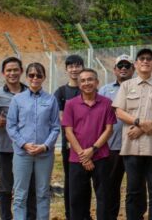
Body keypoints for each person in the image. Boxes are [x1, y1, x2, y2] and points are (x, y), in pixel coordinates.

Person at [113, 48, 152, 220]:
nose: (145, 61)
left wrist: (145, 127)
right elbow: (119, 112)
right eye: (141, 58)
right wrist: (139, 122)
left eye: (149, 59)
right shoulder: (126, 86)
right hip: (131, 147)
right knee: (133, 190)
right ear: (136, 63)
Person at [7, 62, 60, 220]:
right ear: (27, 77)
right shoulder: (17, 99)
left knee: (43, 193)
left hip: (44, 155)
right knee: (20, 194)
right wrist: (24, 144)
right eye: (31, 75)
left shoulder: (51, 100)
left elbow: (56, 127)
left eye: (38, 75)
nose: (35, 78)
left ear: (44, 77)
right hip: (23, 153)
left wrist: (45, 146)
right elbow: (11, 126)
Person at [62, 68, 117, 220]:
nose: (87, 83)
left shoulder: (106, 103)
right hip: (77, 159)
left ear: (97, 82)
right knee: (77, 200)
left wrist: (92, 150)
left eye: (90, 79)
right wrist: (83, 156)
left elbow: (109, 129)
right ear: (79, 84)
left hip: (101, 157)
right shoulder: (71, 104)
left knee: (104, 197)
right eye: (83, 80)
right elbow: (68, 132)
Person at [0, 57, 37, 220]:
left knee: (30, 187)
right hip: (6, 149)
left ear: (21, 71)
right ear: (3, 73)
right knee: (6, 189)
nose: (12, 73)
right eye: (8, 70)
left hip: (29, 149)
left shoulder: (31, 92)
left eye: (15, 70)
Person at [99, 54, 138, 220]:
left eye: (127, 66)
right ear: (114, 69)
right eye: (120, 66)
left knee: (135, 187)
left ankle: (135, 216)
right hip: (112, 146)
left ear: (133, 69)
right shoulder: (105, 91)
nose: (123, 68)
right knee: (111, 186)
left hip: (135, 144)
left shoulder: (140, 87)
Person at [54, 54, 92, 220]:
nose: (74, 69)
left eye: (78, 65)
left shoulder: (89, 89)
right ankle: (71, 214)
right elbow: (63, 119)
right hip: (69, 145)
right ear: (66, 69)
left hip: (91, 146)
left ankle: (86, 214)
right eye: (71, 66)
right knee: (71, 181)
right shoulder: (61, 92)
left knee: (88, 181)